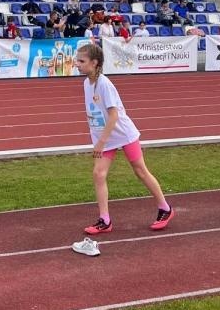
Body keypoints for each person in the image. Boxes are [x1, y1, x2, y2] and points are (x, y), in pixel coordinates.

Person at [73, 42, 175, 238]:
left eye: (82, 61)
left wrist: (101, 141)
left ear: (94, 63)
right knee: (98, 174)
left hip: (123, 134)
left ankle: (165, 208)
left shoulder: (105, 84)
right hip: (105, 138)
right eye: (78, 60)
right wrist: (99, 138)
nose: (77, 64)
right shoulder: (87, 83)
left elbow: (113, 116)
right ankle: (105, 220)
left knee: (141, 171)